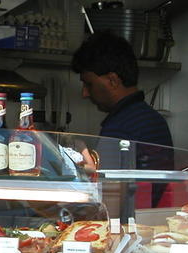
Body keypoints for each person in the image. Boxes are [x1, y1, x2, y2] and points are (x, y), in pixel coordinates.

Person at [71, 30, 173, 174]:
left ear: (112, 81)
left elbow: (108, 190)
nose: (84, 93)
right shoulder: (151, 118)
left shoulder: (122, 127)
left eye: (89, 84)